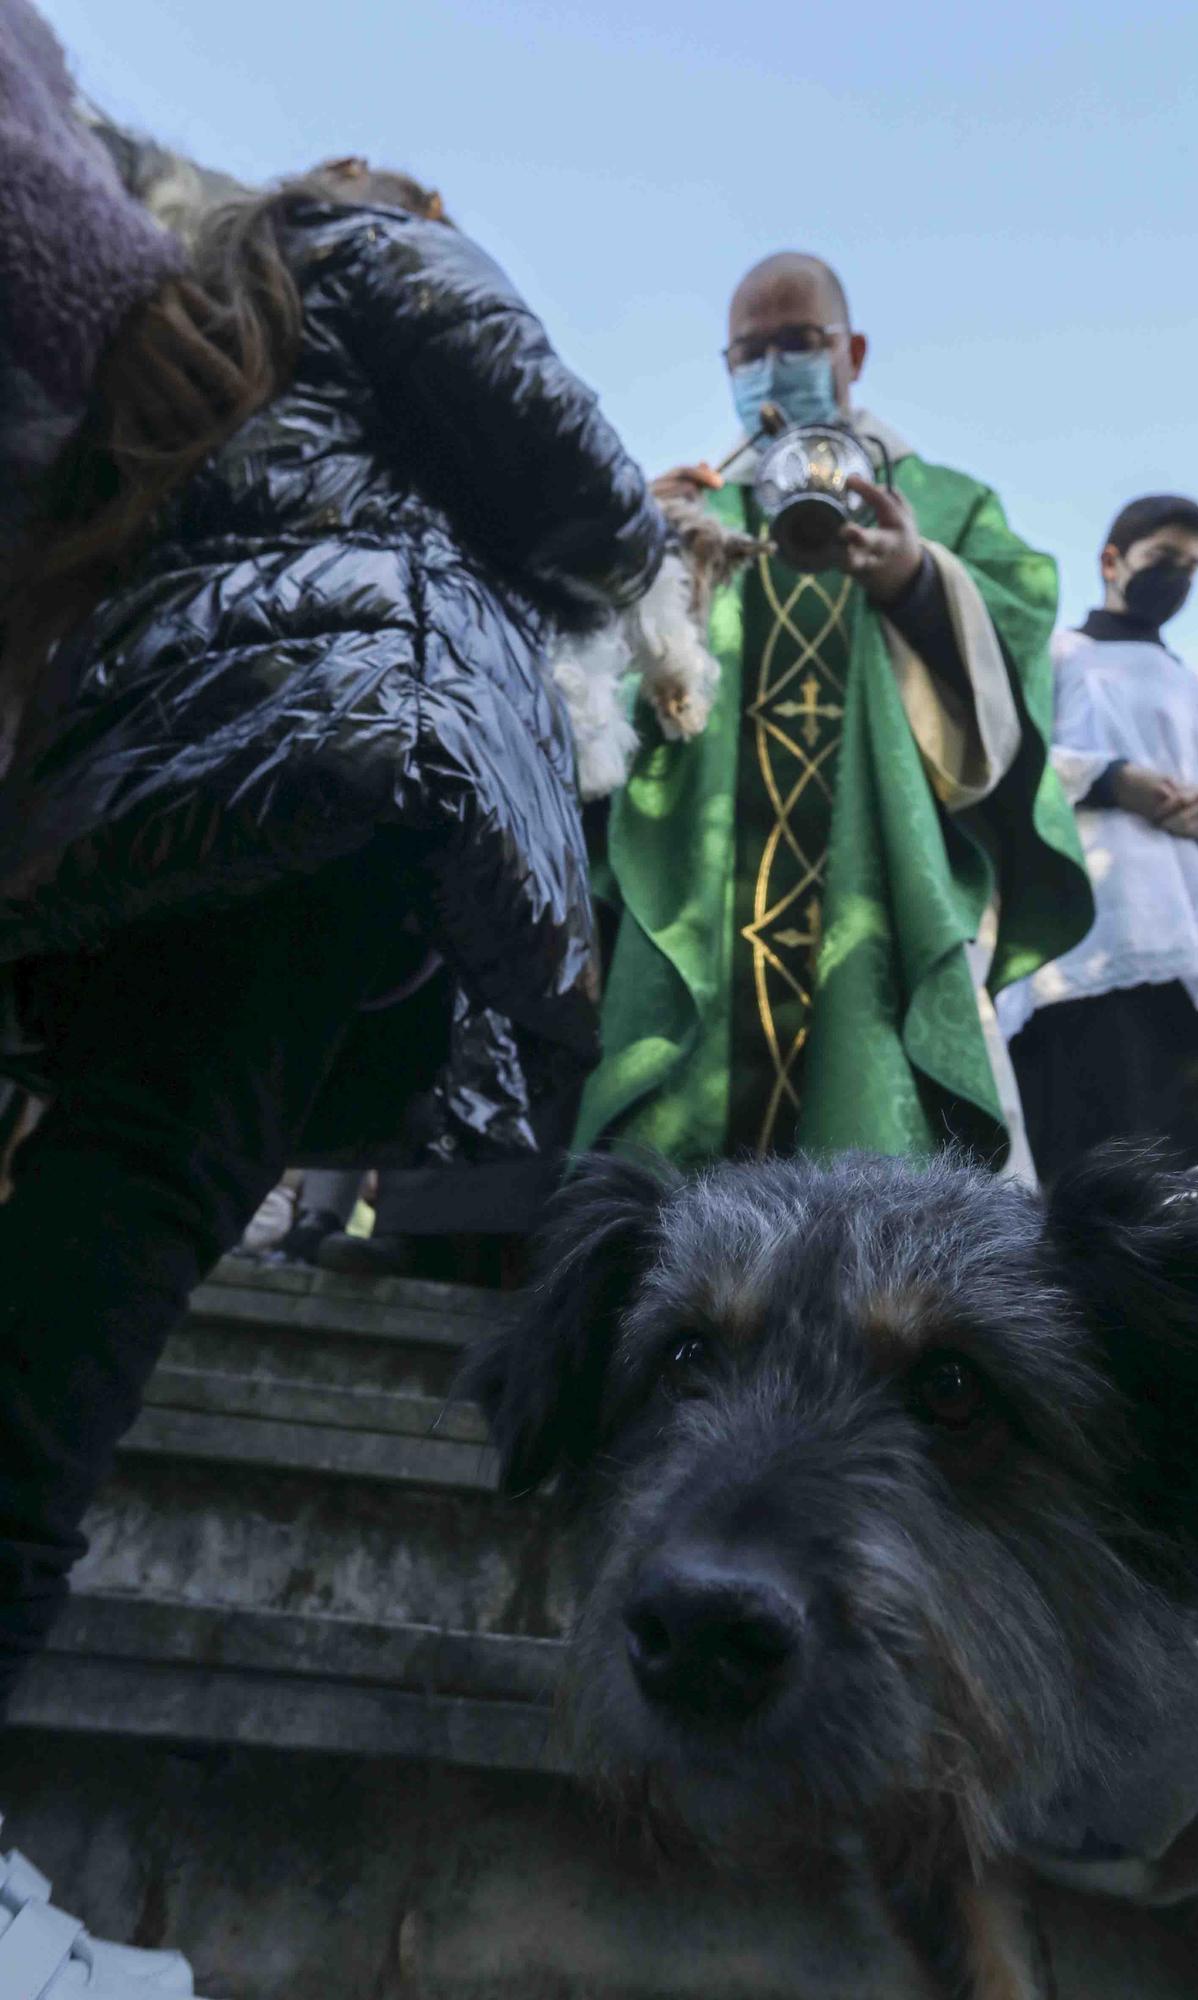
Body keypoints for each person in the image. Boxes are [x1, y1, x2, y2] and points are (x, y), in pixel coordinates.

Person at [0, 0, 662, 1772]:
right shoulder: (374, 242)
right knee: (138, 1216)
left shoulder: (189, 322)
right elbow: (595, 506)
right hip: (332, 759)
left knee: (126, 1167)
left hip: (146, 777)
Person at [573, 250, 1090, 1168]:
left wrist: (920, 582)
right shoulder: (696, 505)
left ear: (850, 350)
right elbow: (600, 687)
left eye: (798, 342)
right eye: (749, 351)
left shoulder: (938, 503)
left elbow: (1014, 640)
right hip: (700, 869)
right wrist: (631, 561)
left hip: (875, 877)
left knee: (867, 1149)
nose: (772, 367)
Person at [998, 495, 1198, 1242]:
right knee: (1105, 1153)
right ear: (1111, 561)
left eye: (1188, 567)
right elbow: (1007, 759)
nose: (1175, 577)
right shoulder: (1052, 657)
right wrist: (1114, 778)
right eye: (1160, 560)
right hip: (1093, 937)